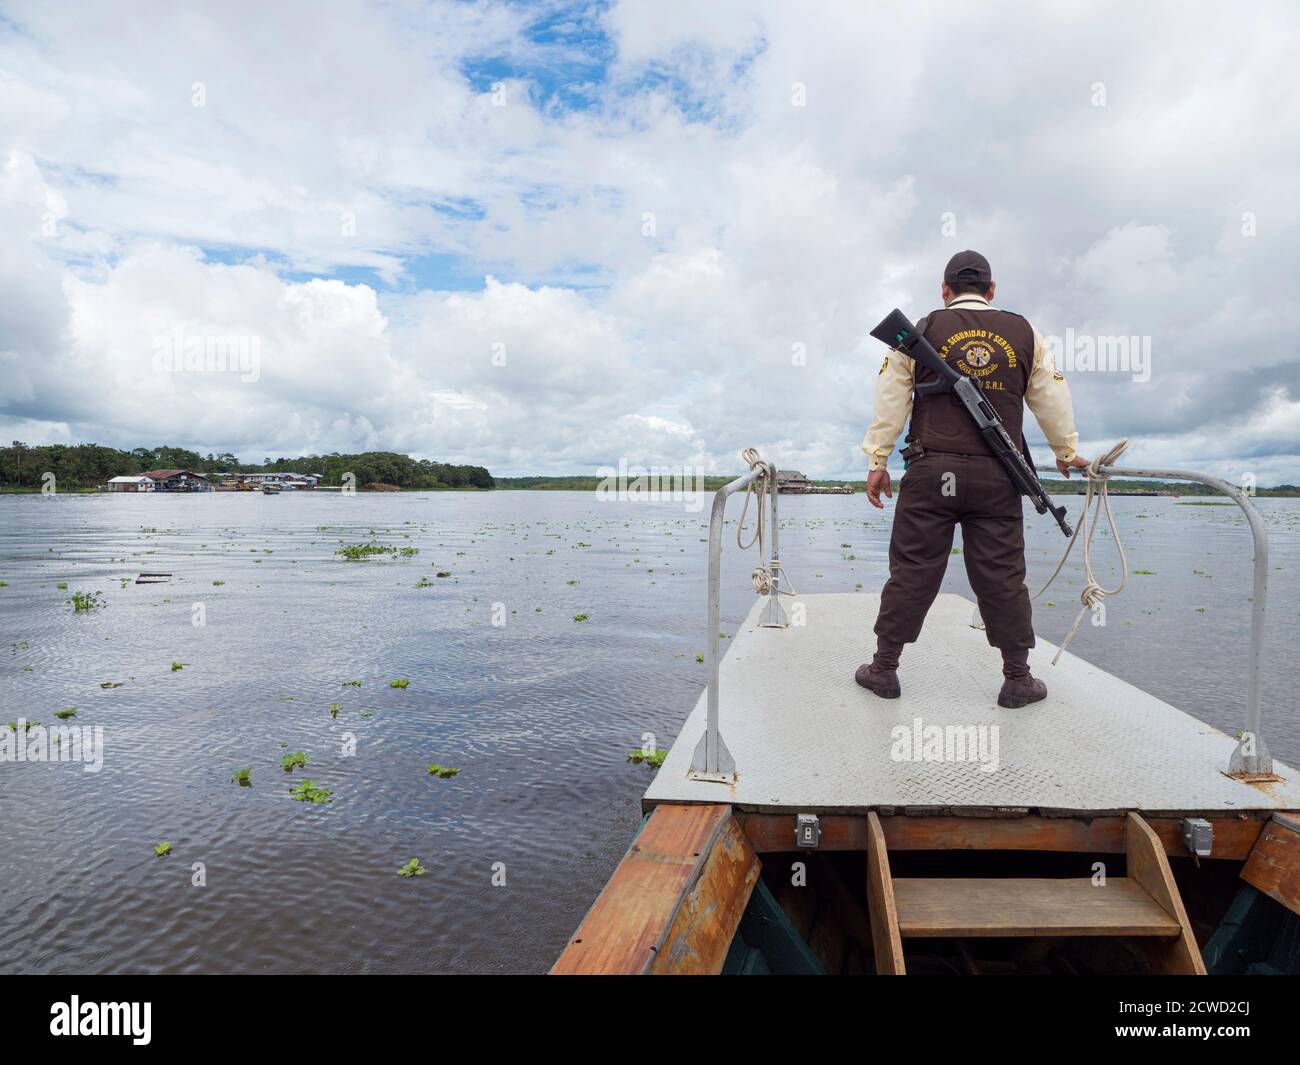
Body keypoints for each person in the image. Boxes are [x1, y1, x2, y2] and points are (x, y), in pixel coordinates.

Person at [858, 250, 1087, 708]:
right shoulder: (1026, 333)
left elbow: (891, 398)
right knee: (1002, 576)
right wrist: (1065, 452)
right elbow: (1051, 396)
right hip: (997, 476)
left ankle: (884, 669)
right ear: (992, 290)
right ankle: (1017, 678)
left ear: (944, 290)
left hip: (929, 470)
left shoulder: (922, 329)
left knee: (913, 571)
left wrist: (877, 460)